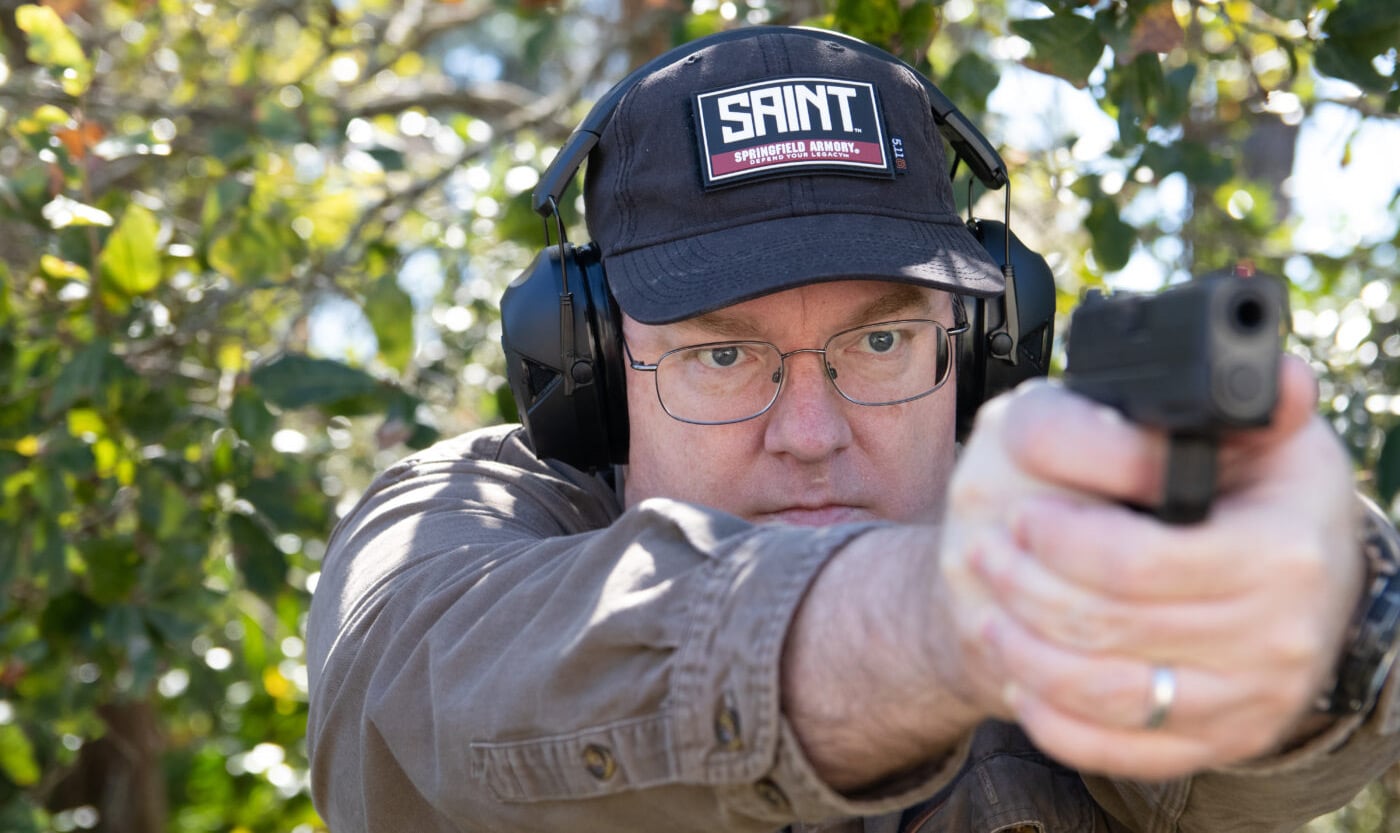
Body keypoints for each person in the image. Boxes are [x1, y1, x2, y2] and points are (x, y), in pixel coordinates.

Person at [305, 25, 1400, 833]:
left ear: (976, 350)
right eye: (721, 355)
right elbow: (417, 700)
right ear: (586, 367)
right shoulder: (463, 520)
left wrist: (1313, 601)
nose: (811, 432)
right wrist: (960, 612)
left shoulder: (1058, 504)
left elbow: (1246, 757)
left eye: (878, 345)